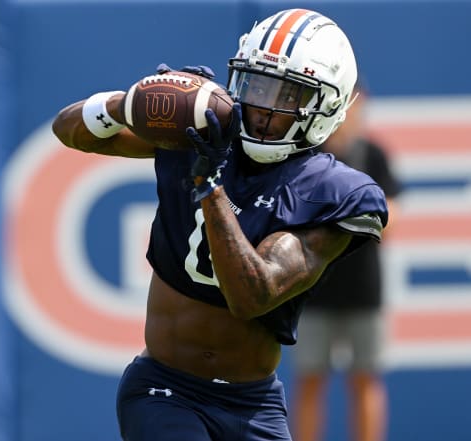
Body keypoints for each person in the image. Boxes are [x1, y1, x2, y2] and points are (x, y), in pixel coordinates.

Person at [52, 8, 388, 441]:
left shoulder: (331, 191)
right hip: (165, 390)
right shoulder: (203, 130)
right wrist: (128, 102)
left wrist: (209, 186)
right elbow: (70, 130)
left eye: (286, 95)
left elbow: (253, 294)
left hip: (254, 404)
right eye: (257, 85)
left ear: (324, 106)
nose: (264, 107)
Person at [291, 80, 401, 441]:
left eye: (357, 107)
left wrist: (354, 217)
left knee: (365, 377)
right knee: (309, 377)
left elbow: (392, 218)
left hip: (364, 291)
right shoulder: (306, 156)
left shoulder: (374, 156)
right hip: (311, 289)